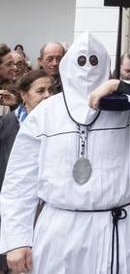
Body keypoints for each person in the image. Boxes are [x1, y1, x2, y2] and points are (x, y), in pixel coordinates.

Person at [0, 32, 130, 274]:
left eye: (94, 61)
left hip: (119, 229)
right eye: (80, 61)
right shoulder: (46, 113)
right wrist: (17, 240)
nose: (87, 68)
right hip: (61, 230)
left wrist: (120, 86)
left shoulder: (129, 105)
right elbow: (19, 180)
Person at [0, 70, 55, 273]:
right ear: (24, 95)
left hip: (48, 214)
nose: (48, 95)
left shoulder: (60, 125)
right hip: (16, 209)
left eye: (51, 90)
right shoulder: (8, 124)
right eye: (40, 90)